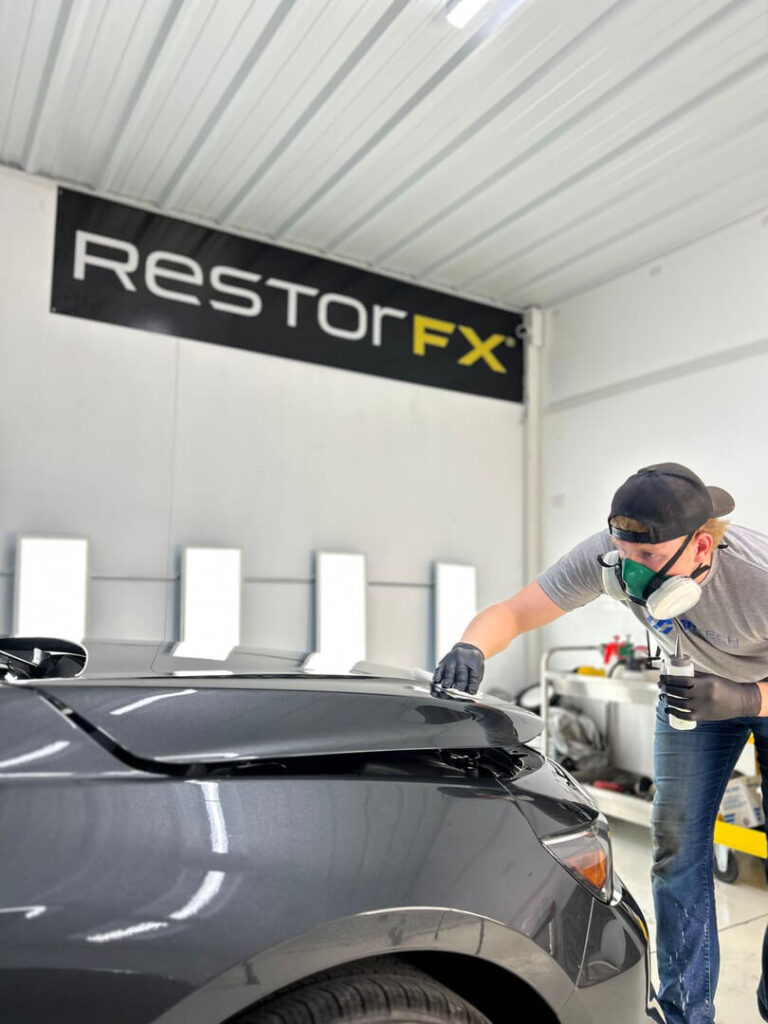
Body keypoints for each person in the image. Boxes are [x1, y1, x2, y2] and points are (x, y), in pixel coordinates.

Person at [433, 462, 768, 1024]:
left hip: (757, 692)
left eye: (651, 559)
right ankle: (686, 1014)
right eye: (623, 553)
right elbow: (515, 611)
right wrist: (472, 646)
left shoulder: (757, 580)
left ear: (702, 547)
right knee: (676, 853)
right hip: (693, 691)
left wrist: (745, 700)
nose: (631, 574)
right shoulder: (611, 558)